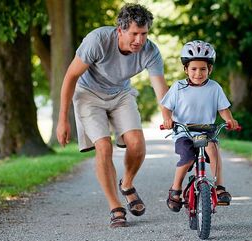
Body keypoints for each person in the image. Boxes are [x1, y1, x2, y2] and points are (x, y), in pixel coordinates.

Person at [56, 3, 168, 228]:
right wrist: (62, 120)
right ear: (120, 30)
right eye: (134, 34)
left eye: (144, 34)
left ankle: (126, 184)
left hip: (120, 94)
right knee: (104, 147)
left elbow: (160, 88)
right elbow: (70, 77)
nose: (139, 40)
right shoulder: (97, 41)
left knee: (137, 144)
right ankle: (115, 206)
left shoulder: (150, 51)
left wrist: (168, 117)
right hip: (88, 95)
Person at [161, 40, 239, 212]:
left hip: (206, 131)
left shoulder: (214, 87)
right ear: (186, 69)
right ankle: (175, 189)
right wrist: (167, 119)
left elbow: (223, 109)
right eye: (194, 69)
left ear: (209, 69)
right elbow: (166, 107)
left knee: (213, 148)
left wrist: (229, 120)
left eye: (203, 69)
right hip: (184, 131)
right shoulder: (178, 87)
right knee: (187, 157)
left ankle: (219, 187)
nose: (198, 73)